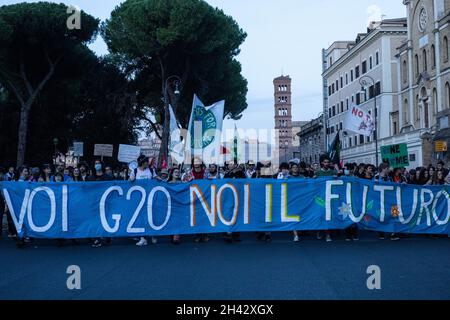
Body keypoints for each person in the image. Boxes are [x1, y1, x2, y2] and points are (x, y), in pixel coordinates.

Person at [129, 155, 156, 247]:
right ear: (142, 163)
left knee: (150, 216)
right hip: (139, 199)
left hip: (150, 197)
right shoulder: (135, 171)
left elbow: (156, 179)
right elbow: (129, 182)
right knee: (141, 217)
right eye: (146, 162)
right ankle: (143, 238)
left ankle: (152, 234)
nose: (148, 163)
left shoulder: (151, 170)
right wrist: (130, 178)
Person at [88, 160, 114, 248]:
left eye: (98, 163)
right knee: (95, 220)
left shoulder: (108, 177)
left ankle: (107, 235)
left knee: (105, 219)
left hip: (105, 202)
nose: (97, 165)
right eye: (95, 163)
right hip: (94, 203)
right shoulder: (90, 178)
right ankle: (97, 238)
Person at [314, 155, 337, 242]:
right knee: (320, 214)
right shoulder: (318, 173)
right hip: (320, 197)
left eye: (328, 162)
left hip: (330, 197)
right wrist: (314, 179)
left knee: (329, 215)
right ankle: (319, 230)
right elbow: (314, 185)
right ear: (322, 163)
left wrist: (336, 177)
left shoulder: (332, 172)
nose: (326, 164)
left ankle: (328, 233)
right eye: (325, 162)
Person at [223, 160, 245, 243]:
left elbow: (245, 181)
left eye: (231, 164)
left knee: (237, 215)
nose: (229, 165)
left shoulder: (240, 173)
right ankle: (228, 234)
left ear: (235, 165)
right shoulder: (227, 174)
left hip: (239, 196)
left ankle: (236, 235)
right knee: (229, 215)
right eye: (229, 164)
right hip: (228, 197)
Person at [169, 167, 182, 245]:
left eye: (178, 172)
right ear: (172, 174)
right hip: (171, 204)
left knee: (178, 220)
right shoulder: (168, 183)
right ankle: (172, 234)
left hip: (179, 204)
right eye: (175, 172)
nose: (177, 173)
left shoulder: (182, 183)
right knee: (172, 220)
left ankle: (176, 236)